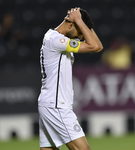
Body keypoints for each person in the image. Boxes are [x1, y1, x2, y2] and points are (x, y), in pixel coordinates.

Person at [38, 7, 103, 150]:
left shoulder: (55, 38)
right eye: (80, 32)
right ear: (71, 24)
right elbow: (94, 46)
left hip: (49, 104)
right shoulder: (56, 40)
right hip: (56, 105)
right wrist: (78, 20)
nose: (80, 38)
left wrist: (82, 22)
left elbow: (98, 46)